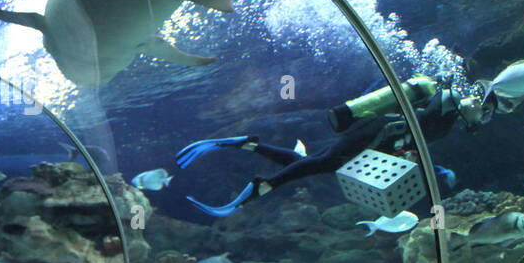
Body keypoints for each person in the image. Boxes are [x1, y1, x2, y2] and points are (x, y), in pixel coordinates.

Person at [177, 77, 486, 217]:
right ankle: (265, 185)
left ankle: (251, 146)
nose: (478, 108)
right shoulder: (450, 99)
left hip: (378, 137)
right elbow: (422, 119)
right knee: (324, 163)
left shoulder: (450, 111)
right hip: (376, 132)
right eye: (480, 104)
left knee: (318, 160)